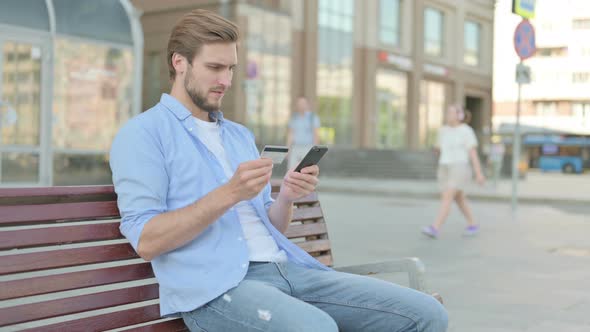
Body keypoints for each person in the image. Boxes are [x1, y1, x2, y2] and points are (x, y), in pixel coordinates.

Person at [110, 9, 447, 332]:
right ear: (179, 62)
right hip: (216, 290)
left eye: (231, 69)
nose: (225, 81)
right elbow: (147, 240)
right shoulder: (143, 134)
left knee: (426, 314)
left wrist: (286, 197)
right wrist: (229, 193)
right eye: (215, 67)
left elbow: (271, 227)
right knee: (316, 328)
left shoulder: (238, 135)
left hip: (289, 271)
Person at [422, 104, 486, 239]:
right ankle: (472, 224)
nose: (448, 115)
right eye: (448, 112)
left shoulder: (466, 131)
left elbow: (472, 153)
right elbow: (438, 148)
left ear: (460, 116)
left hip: (459, 167)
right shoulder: (443, 131)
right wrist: (435, 149)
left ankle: (435, 227)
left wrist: (479, 173)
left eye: (451, 113)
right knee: (459, 198)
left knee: (447, 197)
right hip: (444, 167)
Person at [286, 96, 320, 169]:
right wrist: (288, 149)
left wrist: (316, 151)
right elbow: (290, 135)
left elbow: (316, 135)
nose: (301, 105)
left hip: (308, 147)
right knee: (292, 170)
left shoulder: (313, 118)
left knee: (307, 170)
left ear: (307, 104)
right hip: (295, 148)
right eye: (299, 103)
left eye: (303, 103)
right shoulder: (294, 118)